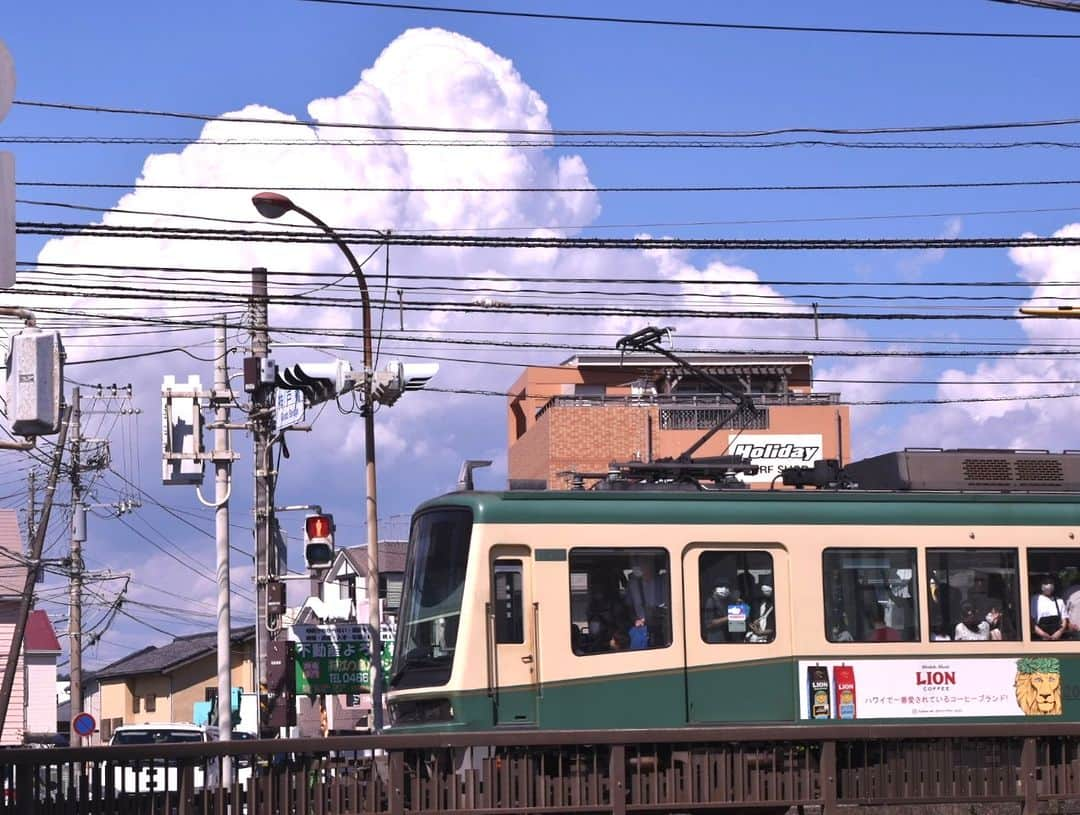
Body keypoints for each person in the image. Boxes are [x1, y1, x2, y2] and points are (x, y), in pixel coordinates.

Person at [626, 559, 670, 646]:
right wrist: (636, 619)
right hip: (642, 629)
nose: (643, 566)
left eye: (648, 562)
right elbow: (628, 606)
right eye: (641, 563)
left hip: (664, 629)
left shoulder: (665, 581)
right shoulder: (633, 584)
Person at [1031, 576, 1067, 641]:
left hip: (1057, 637)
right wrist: (1042, 634)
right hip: (1040, 637)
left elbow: (1064, 620)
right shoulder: (1035, 599)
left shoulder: (1059, 601)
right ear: (1041, 586)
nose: (1048, 585)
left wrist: (1059, 633)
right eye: (1046, 583)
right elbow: (1032, 621)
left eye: (1050, 582)